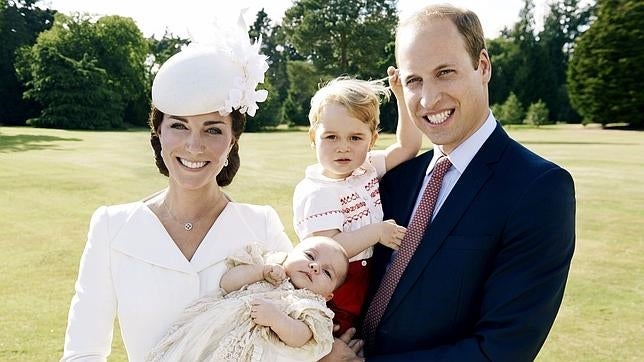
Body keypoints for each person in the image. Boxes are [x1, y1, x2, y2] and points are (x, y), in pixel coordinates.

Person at [324, 4, 576, 361]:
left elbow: (501, 350)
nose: (428, 99)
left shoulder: (539, 189)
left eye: (445, 72)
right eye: (414, 80)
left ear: (483, 66)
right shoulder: (397, 178)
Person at [61, 15, 294, 362]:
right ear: (158, 133)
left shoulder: (261, 225)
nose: (193, 146)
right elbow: (83, 352)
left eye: (213, 130)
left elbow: (295, 334)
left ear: (233, 140)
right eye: (179, 127)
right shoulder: (111, 227)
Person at [292, 76, 422, 334]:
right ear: (312, 137)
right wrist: (377, 232)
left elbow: (408, 147)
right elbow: (329, 249)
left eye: (355, 138)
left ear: (372, 140)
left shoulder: (367, 167)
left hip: (367, 276)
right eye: (331, 137)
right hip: (334, 286)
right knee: (338, 340)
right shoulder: (316, 191)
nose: (343, 148)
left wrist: (402, 98)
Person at [147, 236, 349, 361]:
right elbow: (227, 283)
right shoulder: (268, 263)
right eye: (310, 256)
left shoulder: (312, 306)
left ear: (327, 295)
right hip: (213, 333)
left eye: (327, 272)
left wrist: (276, 319)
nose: (314, 267)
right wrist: (260, 271)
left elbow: (301, 336)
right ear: (291, 252)